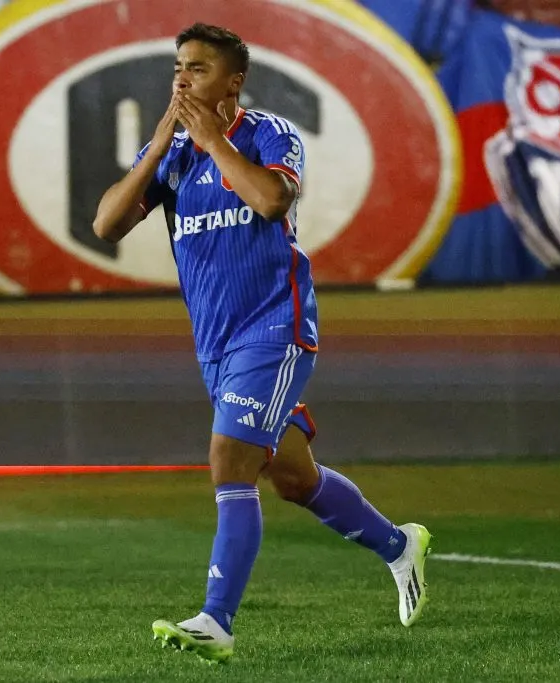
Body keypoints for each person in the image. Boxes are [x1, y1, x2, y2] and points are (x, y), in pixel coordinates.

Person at [92, 23, 432, 662]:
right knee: (292, 478)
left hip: (276, 327)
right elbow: (106, 224)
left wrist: (211, 140)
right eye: (178, 68)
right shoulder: (173, 153)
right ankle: (399, 545)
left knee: (229, 459)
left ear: (234, 80)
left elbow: (271, 200)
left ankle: (216, 621)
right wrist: (162, 143)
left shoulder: (270, 135)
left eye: (196, 67)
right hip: (217, 344)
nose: (182, 79)